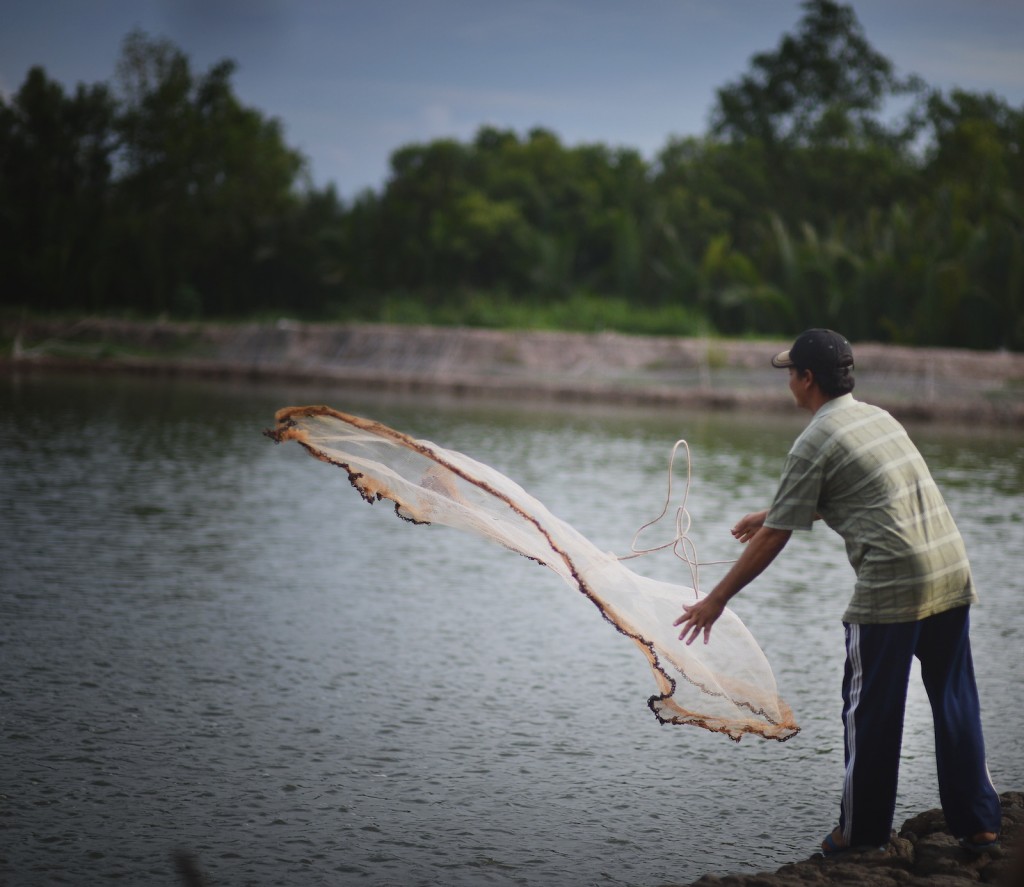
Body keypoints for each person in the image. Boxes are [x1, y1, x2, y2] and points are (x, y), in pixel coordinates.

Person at [673, 329, 1001, 856]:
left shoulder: (814, 440)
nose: (788, 382)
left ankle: (861, 833)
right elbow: (860, 490)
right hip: (950, 568)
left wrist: (716, 600)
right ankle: (980, 824)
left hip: (893, 584)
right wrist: (771, 512)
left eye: (790, 373)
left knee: (869, 711)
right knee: (955, 700)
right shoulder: (877, 417)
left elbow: (776, 538)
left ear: (807, 379)